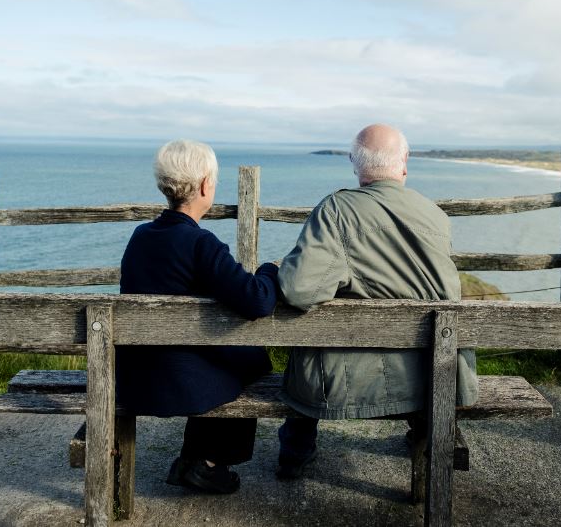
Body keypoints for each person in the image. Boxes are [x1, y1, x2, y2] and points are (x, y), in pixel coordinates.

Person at [275, 123, 479, 479]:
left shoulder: (337, 211)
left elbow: (298, 290)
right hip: (433, 375)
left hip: (344, 383)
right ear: (404, 163)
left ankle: (295, 452)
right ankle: (425, 430)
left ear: (356, 165)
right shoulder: (435, 215)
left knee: (305, 349)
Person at [117, 139, 279, 494]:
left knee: (235, 359)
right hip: (170, 383)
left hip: (132, 376)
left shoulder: (140, 236)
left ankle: (194, 458)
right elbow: (257, 301)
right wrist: (270, 269)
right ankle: (206, 464)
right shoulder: (201, 244)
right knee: (253, 362)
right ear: (205, 185)